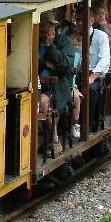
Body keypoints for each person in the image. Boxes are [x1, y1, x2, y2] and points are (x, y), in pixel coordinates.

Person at [38, 11, 75, 154]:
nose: (47, 31)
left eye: (50, 27)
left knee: (44, 101)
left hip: (58, 84)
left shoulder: (65, 42)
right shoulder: (33, 40)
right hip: (36, 82)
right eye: (44, 28)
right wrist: (45, 64)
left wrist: (50, 46)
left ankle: (53, 138)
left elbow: (65, 66)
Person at [87, 16, 110, 133]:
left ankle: (90, 124)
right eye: (78, 20)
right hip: (77, 72)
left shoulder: (101, 36)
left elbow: (105, 60)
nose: (80, 23)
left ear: (91, 20)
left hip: (95, 73)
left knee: (91, 89)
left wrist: (93, 76)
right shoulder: (74, 35)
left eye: (83, 20)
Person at [67, 26, 83, 139]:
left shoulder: (78, 56)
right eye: (73, 45)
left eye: (77, 45)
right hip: (63, 85)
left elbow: (78, 70)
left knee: (77, 97)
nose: (75, 47)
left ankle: (75, 123)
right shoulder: (64, 55)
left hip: (71, 85)